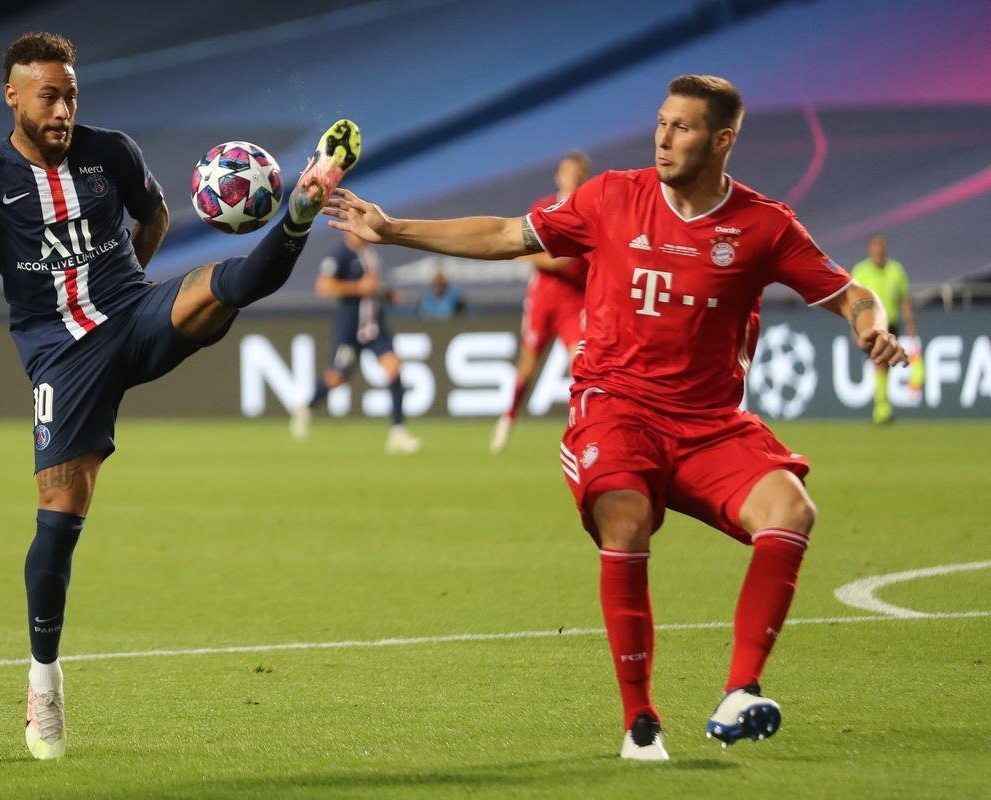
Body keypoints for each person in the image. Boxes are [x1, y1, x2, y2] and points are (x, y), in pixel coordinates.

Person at [326, 74, 907, 761]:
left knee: (791, 509)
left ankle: (740, 691)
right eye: (661, 122)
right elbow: (508, 234)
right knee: (625, 517)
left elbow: (850, 293)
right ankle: (641, 722)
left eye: (682, 127)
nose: (663, 137)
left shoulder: (764, 225)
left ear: (722, 141)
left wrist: (871, 325)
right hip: (616, 408)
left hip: (710, 423)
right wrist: (394, 229)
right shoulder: (610, 198)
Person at [0, 31, 361, 761]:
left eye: (70, 96)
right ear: (13, 97)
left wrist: (129, 289)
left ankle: (300, 211)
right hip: (62, 357)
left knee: (228, 285)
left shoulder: (111, 152)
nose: (62, 110)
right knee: (60, 515)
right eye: (48, 97)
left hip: (133, 311)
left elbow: (154, 216)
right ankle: (44, 680)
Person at [491, 152, 591, 454]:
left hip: (575, 301)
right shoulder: (542, 207)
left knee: (581, 365)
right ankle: (508, 418)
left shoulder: (590, 210)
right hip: (543, 300)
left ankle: (581, 428)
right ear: (558, 176)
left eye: (576, 172)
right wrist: (536, 257)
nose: (571, 177)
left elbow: (562, 261)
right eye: (566, 171)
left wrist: (533, 257)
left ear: (584, 176)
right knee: (528, 365)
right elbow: (523, 247)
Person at [290, 232, 422, 454]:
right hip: (350, 331)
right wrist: (358, 287)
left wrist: (387, 294)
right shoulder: (340, 255)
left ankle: (398, 432)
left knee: (394, 367)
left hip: (374, 328)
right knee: (336, 378)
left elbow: (374, 285)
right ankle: (306, 407)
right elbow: (323, 286)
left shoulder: (371, 254)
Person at [851, 234, 919, 423]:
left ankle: (882, 405)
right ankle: (881, 407)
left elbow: (904, 300)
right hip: (870, 325)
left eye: (881, 245)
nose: (879, 249)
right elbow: (852, 302)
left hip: (891, 324)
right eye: (875, 245)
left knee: (885, 364)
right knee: (880, 362)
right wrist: (853, 327)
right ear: (869, 249)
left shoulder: (896, 270)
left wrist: (910, 322)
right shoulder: (861, 271)